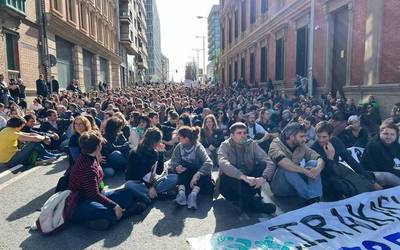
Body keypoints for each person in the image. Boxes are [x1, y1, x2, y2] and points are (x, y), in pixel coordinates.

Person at [65, 131, 147, 230]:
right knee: (107, 211)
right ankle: (124, 213)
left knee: (128, 193)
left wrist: (103, 190)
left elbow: (99, 182)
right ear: (97, 147)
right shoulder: (87, 167)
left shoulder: (90, 157)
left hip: (95, 196)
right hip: (81, 202)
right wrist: (115, 205)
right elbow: (94, 195)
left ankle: (109, 217)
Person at [217, 122, 277, 214]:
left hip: (249, 182)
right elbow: (223, 163)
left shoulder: (251, 144)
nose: (243, 135)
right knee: (225, 173)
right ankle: (253, 203)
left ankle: (244, 203)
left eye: (245, 133)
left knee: (262, 164)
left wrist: (263, 178)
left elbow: (269, 161)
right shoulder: (225, 145)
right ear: (232, 135)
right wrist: (243, 177)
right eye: (239, 133)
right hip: (231, 185)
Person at [311, 121, 378, 198]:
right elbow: (325, 174)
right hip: (325, 177)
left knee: (363, 179)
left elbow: (351, 161)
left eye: (324, 137)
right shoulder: (314, 148)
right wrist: (330, 158)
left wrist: (371, 181)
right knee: (337, 186)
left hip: (337, 170)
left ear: (331, 136)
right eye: (318, 137)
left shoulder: (335, 141)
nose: (321, 140)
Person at [268, 122, 324, 204]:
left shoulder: (300, 144)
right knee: (286, 167)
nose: (305, 139)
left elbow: (317, 156)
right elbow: (284, 163)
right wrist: (306, 172)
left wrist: (317, 169)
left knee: (313, 163)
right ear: (291, 137)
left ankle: (315, 197)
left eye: (305, 136)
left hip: (296, 185)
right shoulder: (275, 145)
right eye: (301, 136)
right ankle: (311, 197)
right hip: (280, 187)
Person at [125, 128, 178, 203]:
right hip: (138, 182)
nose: (160, 142)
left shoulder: (155, 152)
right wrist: (150, 187)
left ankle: (148, 195)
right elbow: (134, 175)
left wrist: (161, 154)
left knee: (174, 177)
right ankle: (155, 194)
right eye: (159, 141)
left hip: (153, 182)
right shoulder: (135, 153)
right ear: (153, 141)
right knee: (129, 185)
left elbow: (159, 172)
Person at [169, 126, 213, 209]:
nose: (178, 140)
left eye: (180, 138)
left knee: (204, 174)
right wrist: (176, 167)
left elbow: (208, 162)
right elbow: (173, 161)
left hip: (197, 172)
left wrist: (198, 174)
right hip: (186, 172)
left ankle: (193, 196)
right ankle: (181, 194)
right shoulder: (179, 146)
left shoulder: (198, 147)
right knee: (180, 171)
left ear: (187, 138)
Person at [361, 119, 400, 187]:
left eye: (392, 134)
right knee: (387, 176)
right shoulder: (374, 145)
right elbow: (386, 167)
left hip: (392, 171)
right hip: (373, 175)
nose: (389, 137)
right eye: (385, 134)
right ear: (380, 133)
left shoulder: (395, 145)